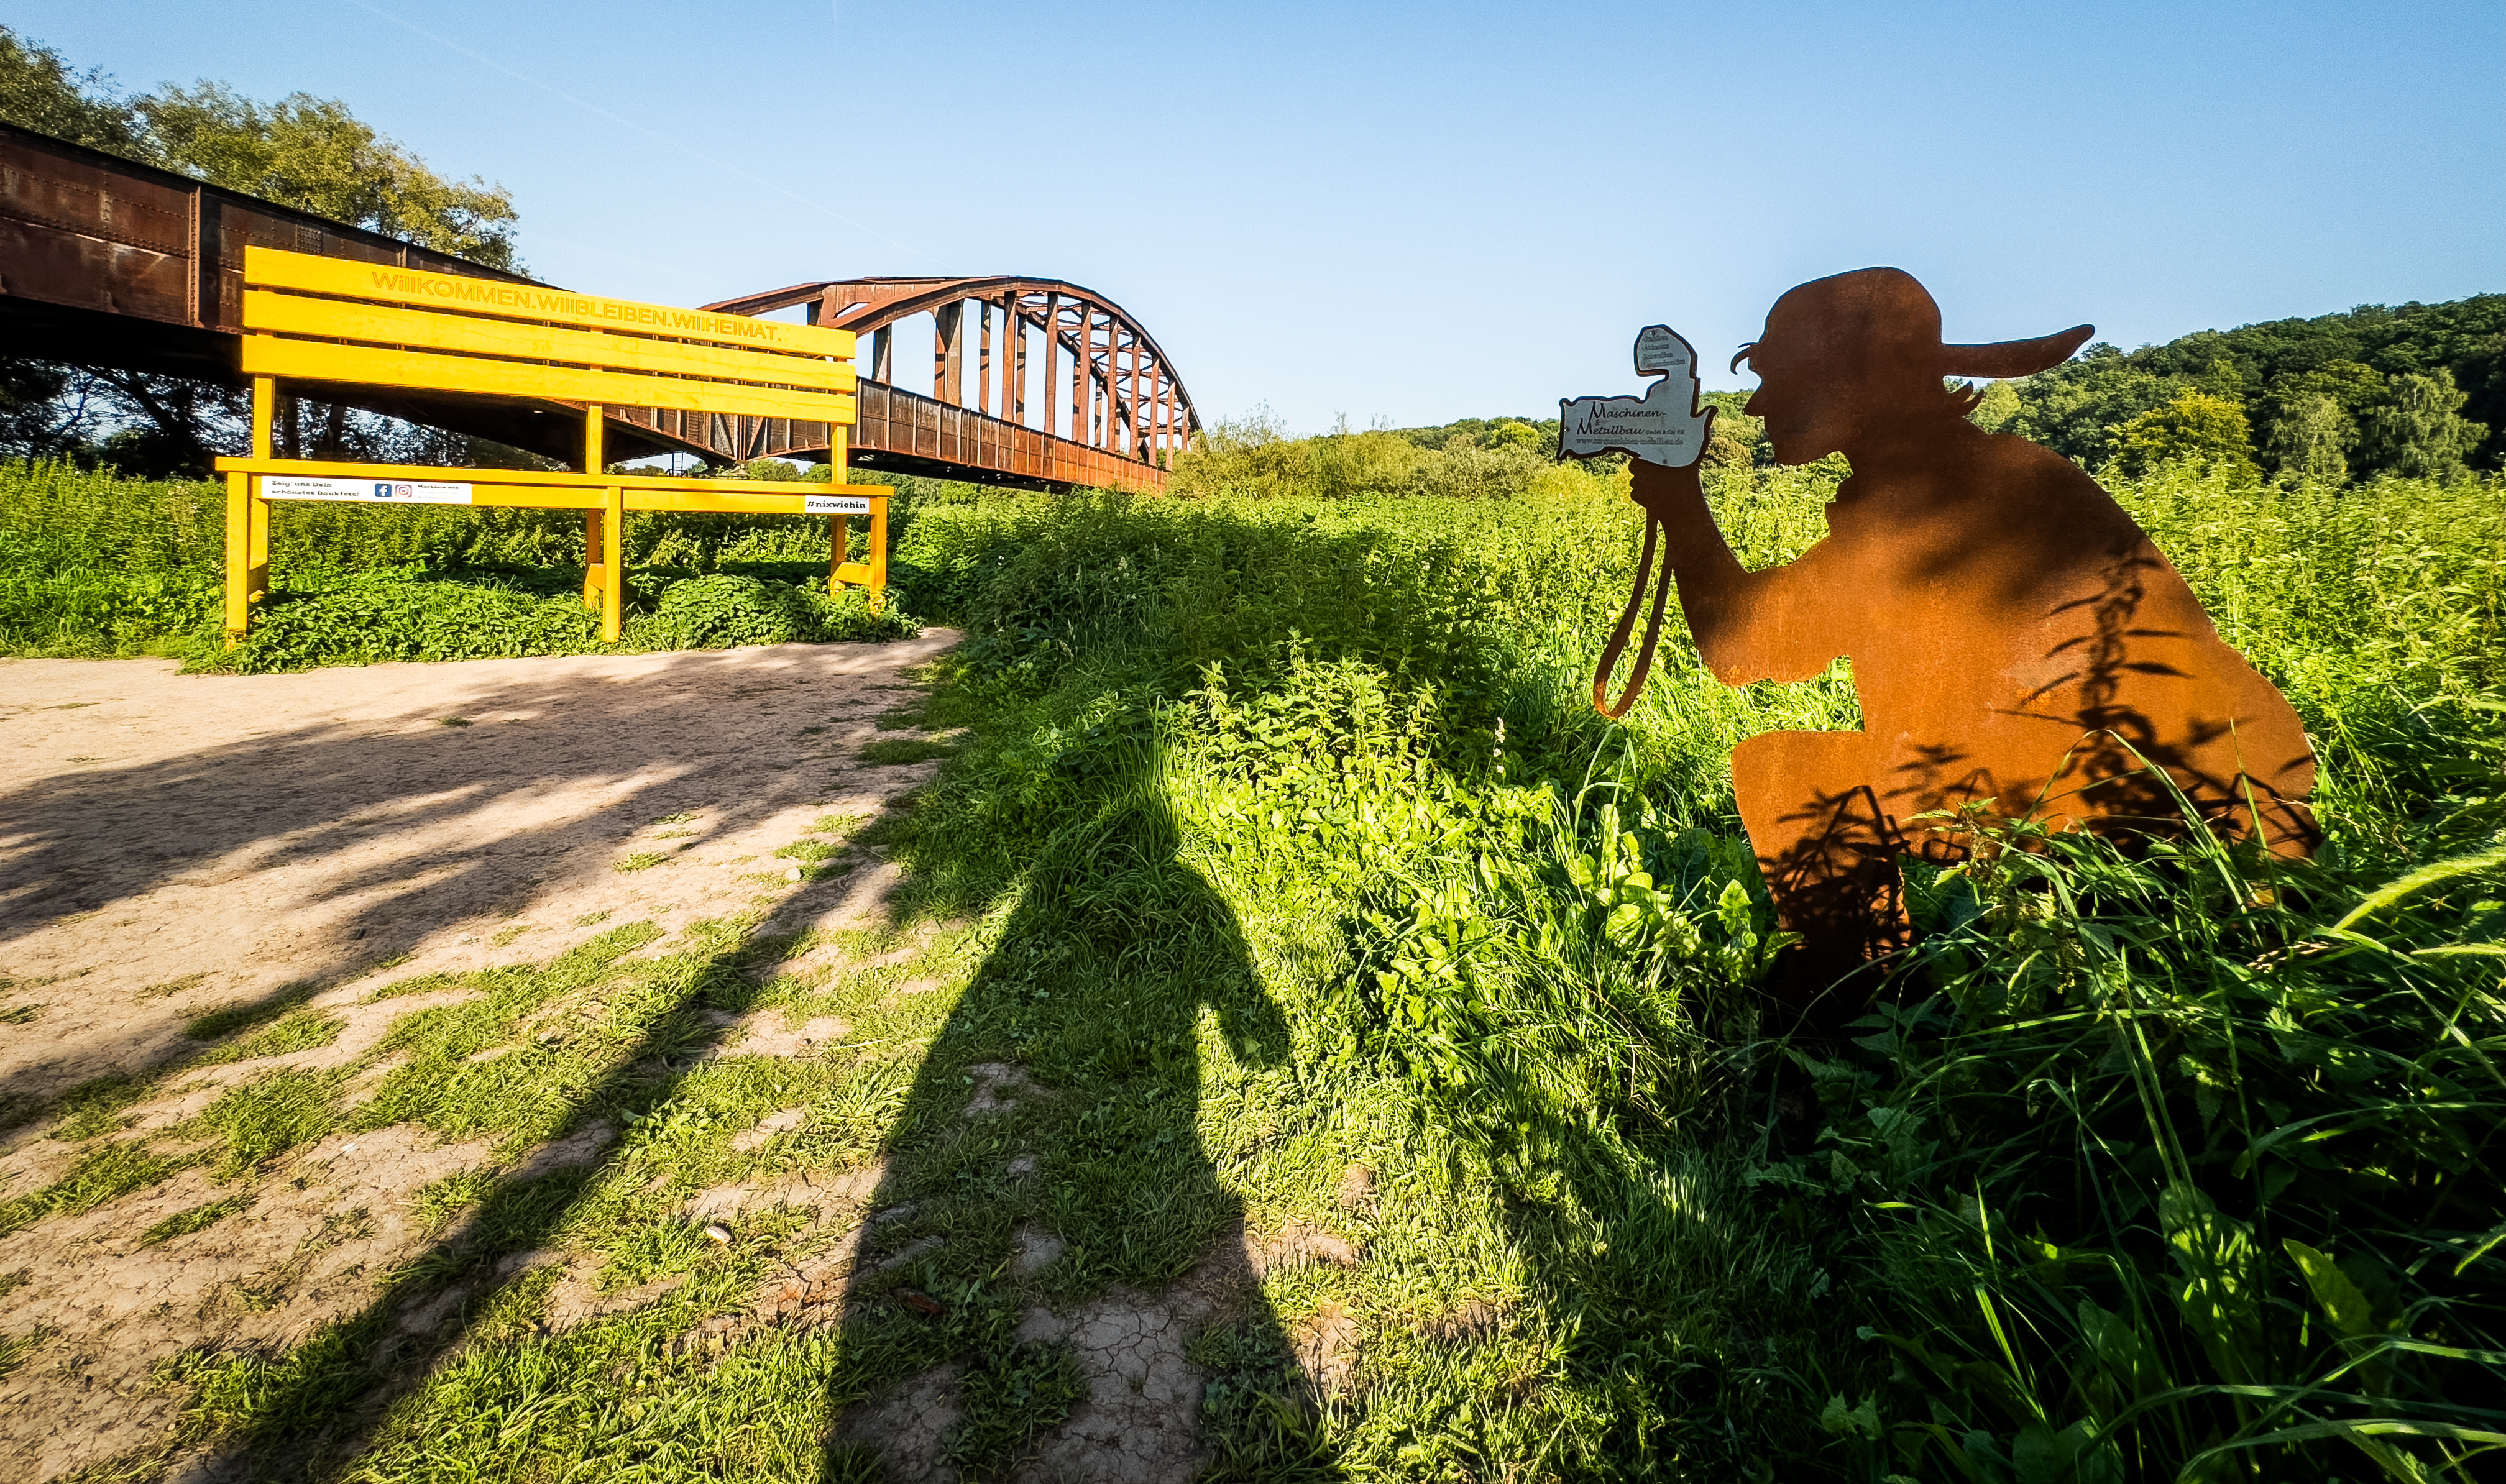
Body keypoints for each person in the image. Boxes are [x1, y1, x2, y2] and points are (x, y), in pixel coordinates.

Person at [1626, 267, 2317, 989]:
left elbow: (1743, 647)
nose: (1761, 402)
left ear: (1859, 380)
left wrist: (1681, 503)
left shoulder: (1936, 505)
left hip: (2184, 812)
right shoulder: (1983, 475)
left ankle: (1853, 1002)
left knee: (1791, 778)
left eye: (1784, 375)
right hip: (2212, 795)